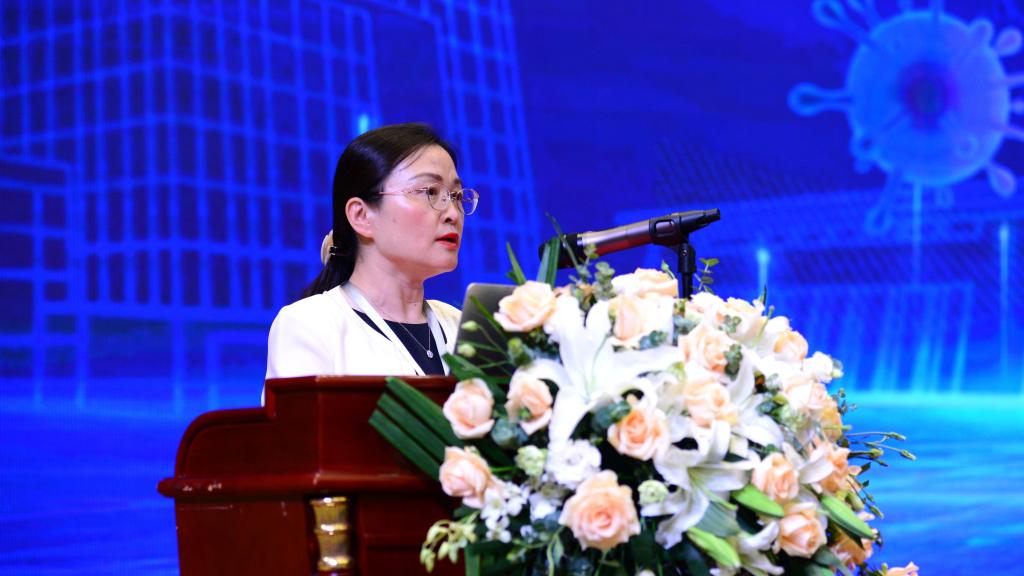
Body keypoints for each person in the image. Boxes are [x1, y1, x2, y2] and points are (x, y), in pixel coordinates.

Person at [265, 123, 478, 385]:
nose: (453, 213)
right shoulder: (311, 325)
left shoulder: (464, 328)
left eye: (456, 196)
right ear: (361, 216)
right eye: (430, 192)